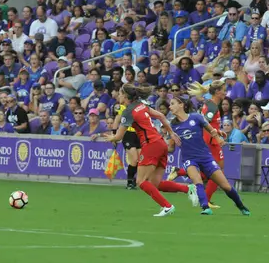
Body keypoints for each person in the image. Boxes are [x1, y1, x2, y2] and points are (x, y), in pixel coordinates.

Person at [105, 84, 185, 217]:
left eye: (120, 93)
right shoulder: (141, 105)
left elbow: (119, 136)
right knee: (155, 183)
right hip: (160, 143)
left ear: (125, 96)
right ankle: (188, 189)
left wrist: (111, 137)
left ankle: (167, 206)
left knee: (141, 181)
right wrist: (171, 133)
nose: (118, 96)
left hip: (150, 145)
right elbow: (161, 116)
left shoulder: (128, 111)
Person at [167, 96, 250, 216]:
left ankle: (241, 206)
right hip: (189, 159)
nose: (170, 106)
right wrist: (158, 145)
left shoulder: (196, 117)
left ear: (181, 105)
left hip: (205, 157)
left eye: (173, 103)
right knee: (197, 181)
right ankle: (205, 207)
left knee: (225, 186)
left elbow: (211, 130)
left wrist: (219, 138)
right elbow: (170, 148)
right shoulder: (173, 125)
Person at [168, 80, 228, 209]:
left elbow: (209, 123)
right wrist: (217, 136)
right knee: (218, 170)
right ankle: (207, 199)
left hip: (210, 139)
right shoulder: (212, 106)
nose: (225, 92)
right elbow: (206, 122)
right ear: (217, 92)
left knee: (212, 170)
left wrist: (218, 130)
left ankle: (181, 172)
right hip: (211, 141)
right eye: (223, 89)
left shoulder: (210, 104)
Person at [114, 103, 142, 190]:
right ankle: (129, 182)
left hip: (138, 134)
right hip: (128, 134)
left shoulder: (139, 106)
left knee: (140, 160)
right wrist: (114, 134)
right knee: (134, 159)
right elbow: (117, 119)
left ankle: (134, 180)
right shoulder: (122, 107)